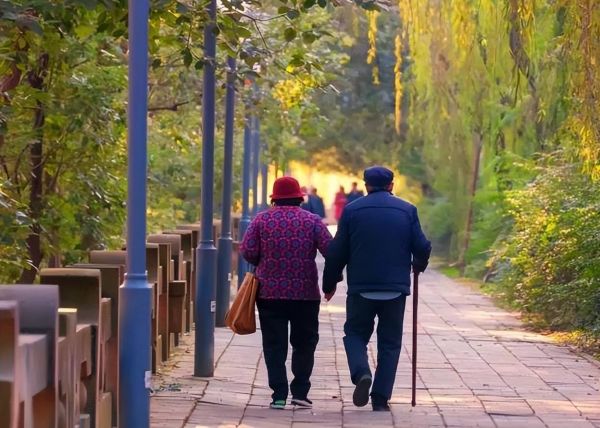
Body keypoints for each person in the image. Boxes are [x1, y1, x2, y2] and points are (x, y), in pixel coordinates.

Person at [322, 166, 431, 412]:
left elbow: (337, 251)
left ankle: (362, 372)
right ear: (391, 185)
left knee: (355, 333)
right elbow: (422, 246)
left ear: (366, 185)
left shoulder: (352, 210)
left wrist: (329, 284)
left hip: (361, 288)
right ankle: (380, 399)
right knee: (390, 343)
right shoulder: (407, 210)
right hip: (395, 290)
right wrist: (418, 265)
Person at [240, 176, 333, 410]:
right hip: (305, 294)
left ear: (274, 198)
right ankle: (300, 392)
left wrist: (264, 259)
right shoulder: (312, 220)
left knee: (274, 345)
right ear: (299, 198)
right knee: (305, 343)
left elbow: (248, 251)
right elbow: (331, 250)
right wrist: (331, 282)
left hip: (269, 294)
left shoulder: (262, 220)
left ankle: (279, 395)